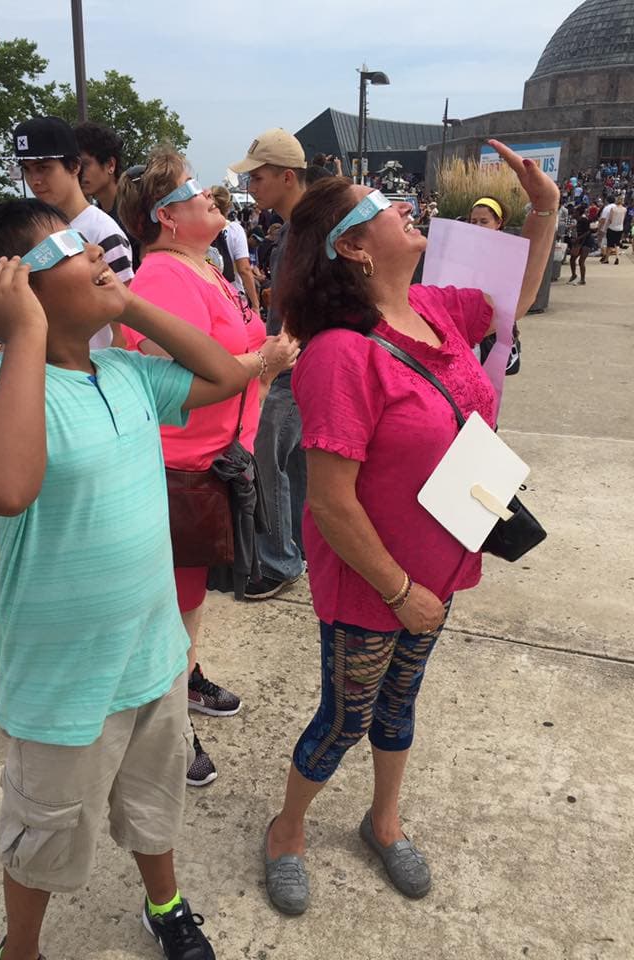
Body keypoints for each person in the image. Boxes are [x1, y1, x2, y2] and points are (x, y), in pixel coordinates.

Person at [0, 197, 253, 960]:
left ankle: (166, 903)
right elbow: (6, 488)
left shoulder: (127, 374)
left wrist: (130, 300)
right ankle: (22, 947)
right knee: (43, 835)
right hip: (65, 682)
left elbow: (224, 373)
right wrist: (21, 340)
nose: (100, 258)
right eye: (77, 253)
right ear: (22, 289)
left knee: (155, 803)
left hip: (152, 656)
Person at [260, 140, 559, 916]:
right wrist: (399, 593)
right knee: (345, 716)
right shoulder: (337, 355)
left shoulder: (431, 309)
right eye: (377, 207)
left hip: (444, 558)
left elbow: (512, 303)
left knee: (400, 703)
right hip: (375, 580)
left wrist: (546, 212)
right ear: (352, 247)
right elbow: (330, 501)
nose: (399, 206)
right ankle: (286, 832)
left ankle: (382, 821)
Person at [116, 148, 299, 786]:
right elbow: (190, 373)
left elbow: (231, 348)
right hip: (182, 464)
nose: (214, 202)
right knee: (173, 599)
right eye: (198, 198)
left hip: (218, 455)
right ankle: (169, 719)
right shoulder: (163, 278)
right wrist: (268, 362)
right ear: (167, 217)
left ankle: (185, 680)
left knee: (190, 594)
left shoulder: (205, 266)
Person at [229, 128, 309, 600]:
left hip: (290, 364)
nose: (250, 186)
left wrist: (274, 364)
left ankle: (280, 559)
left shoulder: (304, 234)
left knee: (267, 462)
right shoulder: (304, 229)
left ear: (285, 177)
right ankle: (294, 548)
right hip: (297, 363)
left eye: (257, 177)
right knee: (293, 464)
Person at [12, 115, 134, 348]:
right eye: (27, 169)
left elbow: (125, 322)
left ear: (74, 166)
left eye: (44, 168)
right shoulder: (31, 231)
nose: (35, 180)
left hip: (94, 369)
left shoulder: (103, 232)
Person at [74, 120, 141, 271]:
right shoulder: (97, 215)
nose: (78, 172)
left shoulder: (134, 214)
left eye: (85, 164)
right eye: (74, 165)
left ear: (111, 165)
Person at [468, 196, 521, 374]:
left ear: (498, 223)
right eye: (473, 221)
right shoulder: (461, 246)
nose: (477, 226)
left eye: (484, 221)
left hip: (492, 324)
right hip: (467, 320)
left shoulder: (508, 251)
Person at [210, 186, 260, 312]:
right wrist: (255, 304)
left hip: (209, 294)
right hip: (232, 294)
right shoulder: (235, 230)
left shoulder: (202, 228)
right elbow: (244, 269)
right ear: (228, 206)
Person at [568, 206, 596, 285]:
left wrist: (577, 239)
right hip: (580, 242)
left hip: (587, 242)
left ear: (578, 213)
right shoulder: (579, 221)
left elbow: (587, 232)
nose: (572, 214)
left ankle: (582, 279)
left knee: (581, 261)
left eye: (574, 212)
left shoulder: (583, 220)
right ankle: (574, 275)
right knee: (572, 258)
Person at [600, 195, 626, 264]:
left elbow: (610, 220)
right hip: (620, 228)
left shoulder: (613, 209)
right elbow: (623, 220)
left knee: (610, 244)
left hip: (612, 227)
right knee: (617, 244)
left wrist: (604, 228)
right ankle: (617, 257)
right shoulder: (624, 209)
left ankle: (606, 259)